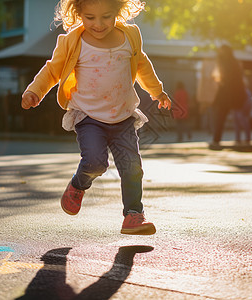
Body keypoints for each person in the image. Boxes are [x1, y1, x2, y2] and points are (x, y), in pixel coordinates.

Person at [21, 0, 171, 235]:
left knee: (132, 167)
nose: (98, 24)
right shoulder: (73, 41)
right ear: (78, 13)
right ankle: (78, 184)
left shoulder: (130, 37)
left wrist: (157, 91)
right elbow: (52, 70)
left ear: (118, 12)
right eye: (90, 17)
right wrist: (34, 91)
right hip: (89, 116)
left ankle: (133, 215)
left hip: (123, 117)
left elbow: (142, 65)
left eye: (106, 17)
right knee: (95, 163)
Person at [210, 44, 247, 148]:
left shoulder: (226, 63)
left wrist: (222, 82)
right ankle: (241, 139)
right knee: (237, 117)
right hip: (232, 94)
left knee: (226, 117)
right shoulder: (232, 62)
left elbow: (224, 78)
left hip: (229, 94)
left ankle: (217, 139)